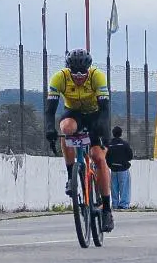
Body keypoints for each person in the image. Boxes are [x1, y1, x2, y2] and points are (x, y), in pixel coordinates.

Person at [44, 48, 114, 232]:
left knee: (98, 157)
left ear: (89, 69)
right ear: (69, 70)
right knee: (66, 129)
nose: (79, 77)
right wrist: (49, 129)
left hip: (96, 115)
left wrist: (102, 132)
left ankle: (107, 209)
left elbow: (105, 110)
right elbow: (50, 110)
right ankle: (71, 177)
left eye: (83, 73)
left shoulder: (97, 76)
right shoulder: (59, 78)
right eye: (75, 73)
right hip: (74, 114)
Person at [105, 126, 133, 209]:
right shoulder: (124, 144)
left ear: (113, 134)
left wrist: (110, 165)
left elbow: (107, 157)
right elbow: (130, 156)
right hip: (123, 169)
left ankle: (115, 204)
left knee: (114, 188)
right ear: (121, 133)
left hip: (113, 169)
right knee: (124, 188)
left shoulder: (109, 145)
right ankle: (124, 205)